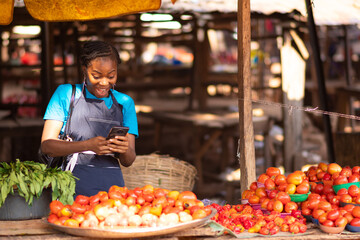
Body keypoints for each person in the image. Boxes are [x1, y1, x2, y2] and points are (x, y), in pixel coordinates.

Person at [40, 40, 138, 197]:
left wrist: (124, 149)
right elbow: (47, 146)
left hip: (112, 192)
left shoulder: (125, 103)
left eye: (111, 76)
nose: (104, 82)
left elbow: (128, 160)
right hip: (70, 189)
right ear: (84, 70)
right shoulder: (66, 94)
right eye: (96, 76)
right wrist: (87, 145)